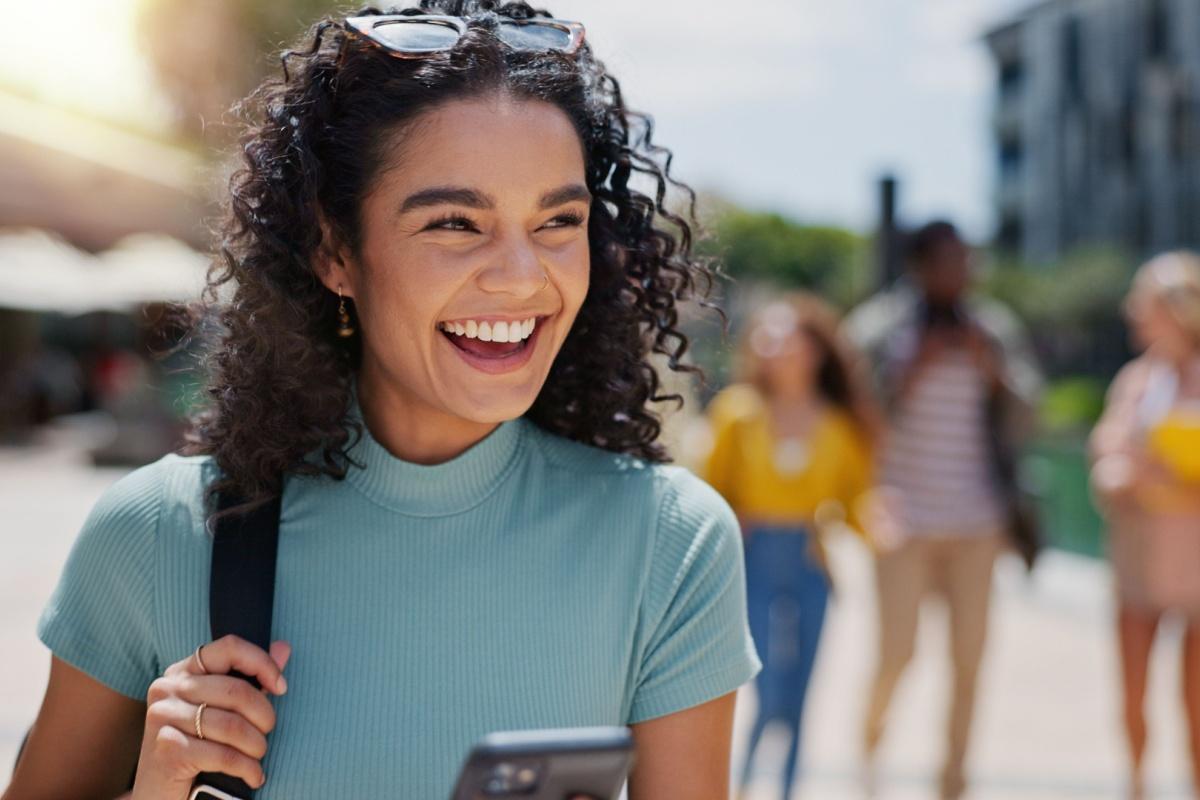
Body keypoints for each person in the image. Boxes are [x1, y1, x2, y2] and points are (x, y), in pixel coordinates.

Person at [3, 4, 761, 798]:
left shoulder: (670, 545)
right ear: (335, 251)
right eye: (455, 223)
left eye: (557, 221)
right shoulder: (156, 536)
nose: (521, 277)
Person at [844, 220, 1042, 800]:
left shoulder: (993, 327)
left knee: (969, 662)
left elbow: (1030, 412)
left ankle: (954, 781)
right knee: (896, 654)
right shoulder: (880, 328)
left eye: (967, 261)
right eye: (950, 261)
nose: (962, 272)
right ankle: (868, 753)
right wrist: (908, 374)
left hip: (978, 522)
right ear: (921, 267)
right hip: (901, 520)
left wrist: (994, 375)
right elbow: (852, 412)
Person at [702, 293, 877, 799]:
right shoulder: (738, 413)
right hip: (754, 558)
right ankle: (743, 783)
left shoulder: (838, 424)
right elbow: (710, 489)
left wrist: (878, 524)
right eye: (766, 337)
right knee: (768, 686)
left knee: (802, 693)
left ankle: (786, 789)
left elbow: (856, 501)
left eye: (785, 338)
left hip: (809, 559)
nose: (771, 347)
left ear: (813, 349)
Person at [1090, 252, 1200, 800]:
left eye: (1144, 304)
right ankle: (1136, 787)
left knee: (1197, 704)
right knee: (1133, 695)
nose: (1134, 313)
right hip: (1139, 560)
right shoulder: (1137, 381)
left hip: (1194, 563)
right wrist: (1127, 476)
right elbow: (1106, 459)